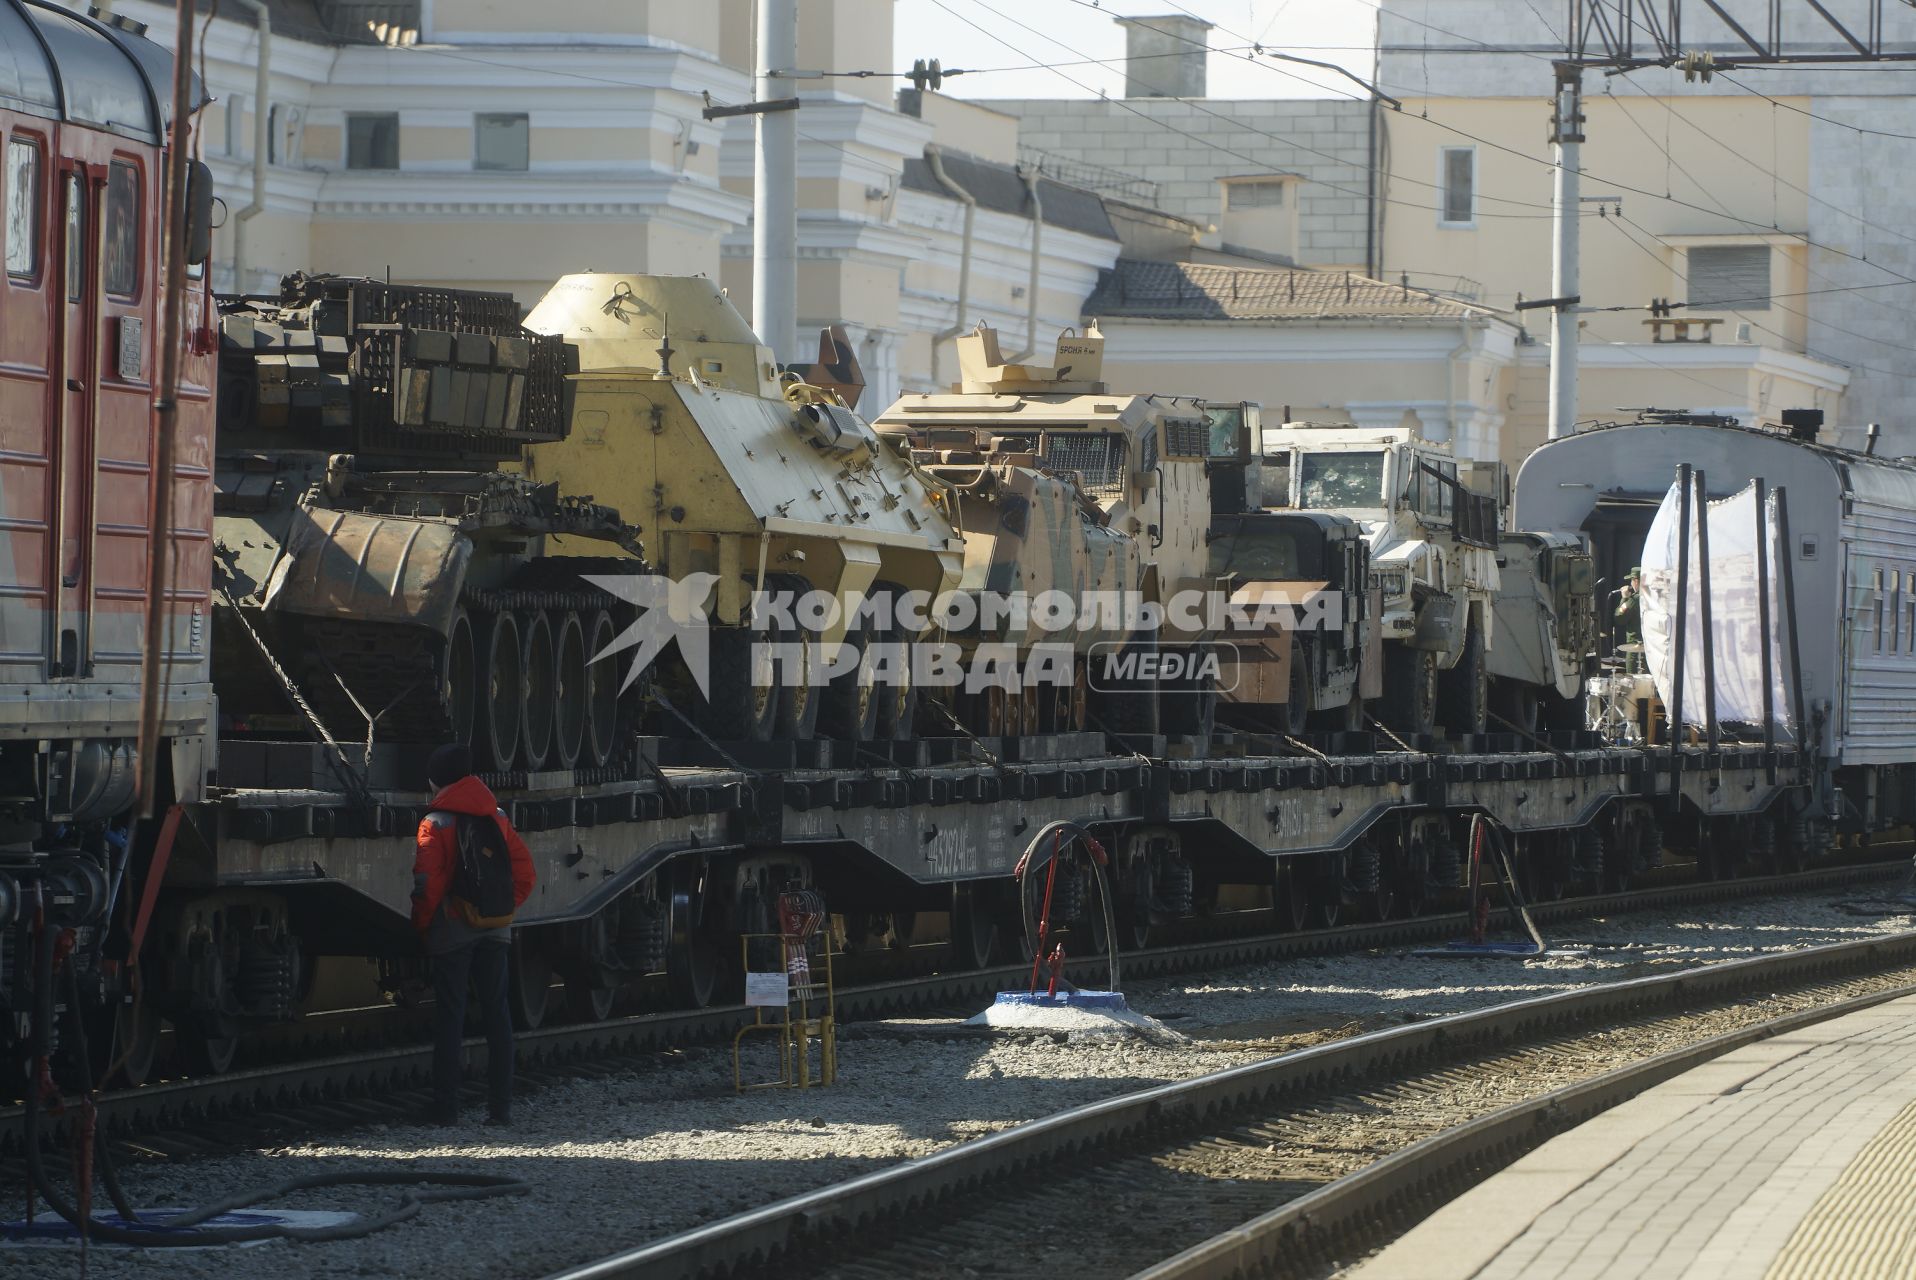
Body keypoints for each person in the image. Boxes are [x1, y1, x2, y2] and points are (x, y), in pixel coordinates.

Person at [412, 742, 535, 1125]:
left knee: (451, 1016)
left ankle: (445, 1109)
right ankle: (500, 1110)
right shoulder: (496, 815)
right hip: (495, 929)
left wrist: (424, 925)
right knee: (498, 1014)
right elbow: (526, 872)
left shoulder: (436, 822)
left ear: (437, 781)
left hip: (453, 929)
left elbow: (428, 884)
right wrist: (498, 908)